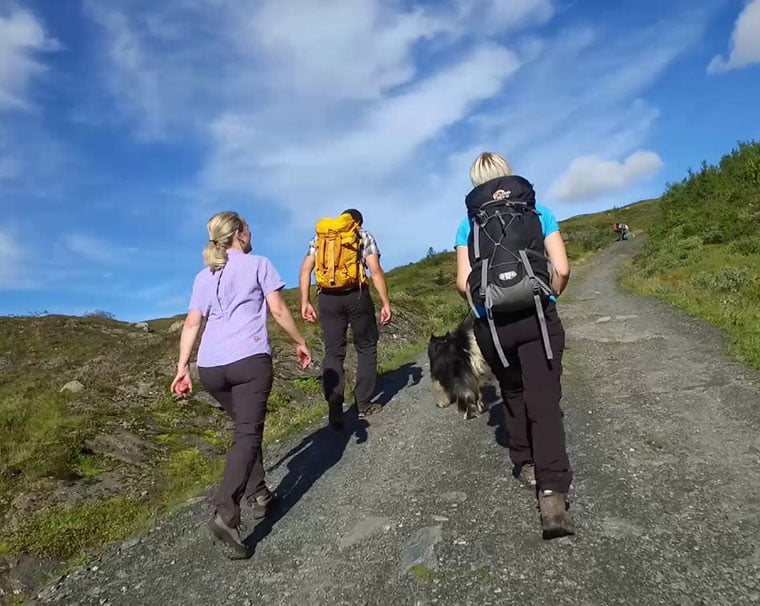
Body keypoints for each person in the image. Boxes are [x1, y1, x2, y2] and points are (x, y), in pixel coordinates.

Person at [170, 211, 312, 557]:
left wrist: (182, 368)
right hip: (249, 360)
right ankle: (225, 513)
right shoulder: (258, 264)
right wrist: (300, 342)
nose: (252, 231)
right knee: (248, 434)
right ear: (240, 234)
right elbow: (277, 309)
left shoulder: (204, 276)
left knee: (244, 431)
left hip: (211, 368)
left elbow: (191, 324)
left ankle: (259, 492)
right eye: (249, 226)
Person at [454, 152, 575, 539]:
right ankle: (553, 497)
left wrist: (487, 309)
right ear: (509, 177)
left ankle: (524, 463)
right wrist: (547, 298)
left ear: (477, 185)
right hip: (539, 320)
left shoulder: (467, 225)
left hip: (494, 328)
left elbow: (462, 283)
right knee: (545, 403)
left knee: (512, 392)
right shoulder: (539, 212)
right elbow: (563, 268)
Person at [299, 209, 391, 427]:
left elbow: (305, 271)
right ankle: (364, 403)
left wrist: (305, 301)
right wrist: (385, 302)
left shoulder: (320, 238)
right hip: (356, 294)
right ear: (356, 222)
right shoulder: (362, 235)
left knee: (333, 351)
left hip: (327, 299)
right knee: (366, 346)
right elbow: (375, 270)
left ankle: (334, 403)